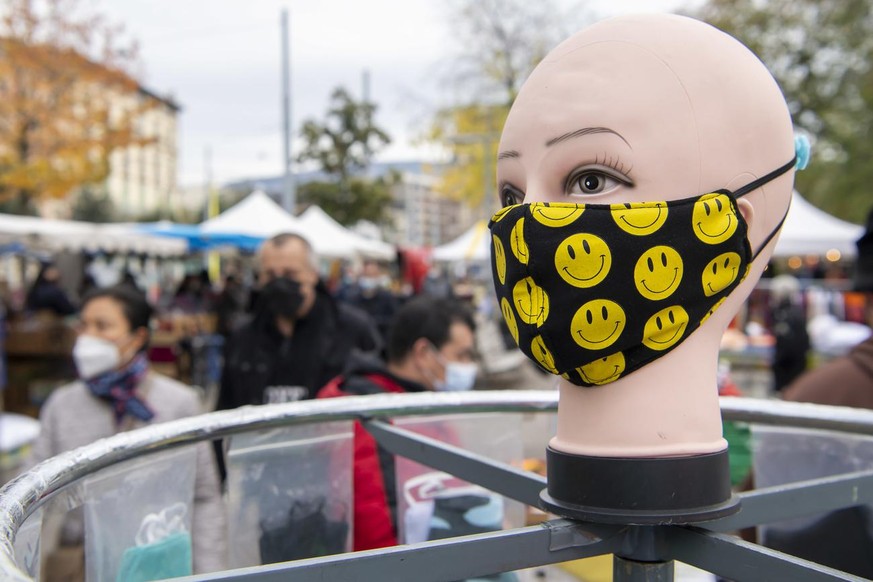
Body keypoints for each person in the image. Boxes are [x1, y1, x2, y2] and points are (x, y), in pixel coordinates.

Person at [24, 285, 226, 577]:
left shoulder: (177, 404)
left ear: (138, 337)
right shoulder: (62, 404)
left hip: (156, 560)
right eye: (84, 325)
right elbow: (33, 489)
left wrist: (210, 572)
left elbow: (205, 496)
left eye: (102, 326)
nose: (88, 337)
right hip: (79, 564)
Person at [317, 295, 478, 551]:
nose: (470, 367)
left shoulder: (422, 405)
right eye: (462, 356)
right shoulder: (371, 420)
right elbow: (379, 534)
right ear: (423, 353)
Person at [217, 233, 380, 408]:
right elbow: (226, 408)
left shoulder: (352, 329)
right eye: (271, 275)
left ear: (313, 274)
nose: (280, 283)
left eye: (290, 274)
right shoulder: (244, 336)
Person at [770, 274, 811, 391]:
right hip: (797, 364)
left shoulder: (785, 315)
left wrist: (777, 362)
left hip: (789, 369)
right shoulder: (796, 312)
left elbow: (787, 345)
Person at [345, 260, 398, 347]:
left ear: (377, 276)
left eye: (372, 276)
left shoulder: (387, 298)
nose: (369, 279)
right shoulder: (353, 297)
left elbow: (393, 320)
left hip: (381, 344)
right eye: (366, 275)